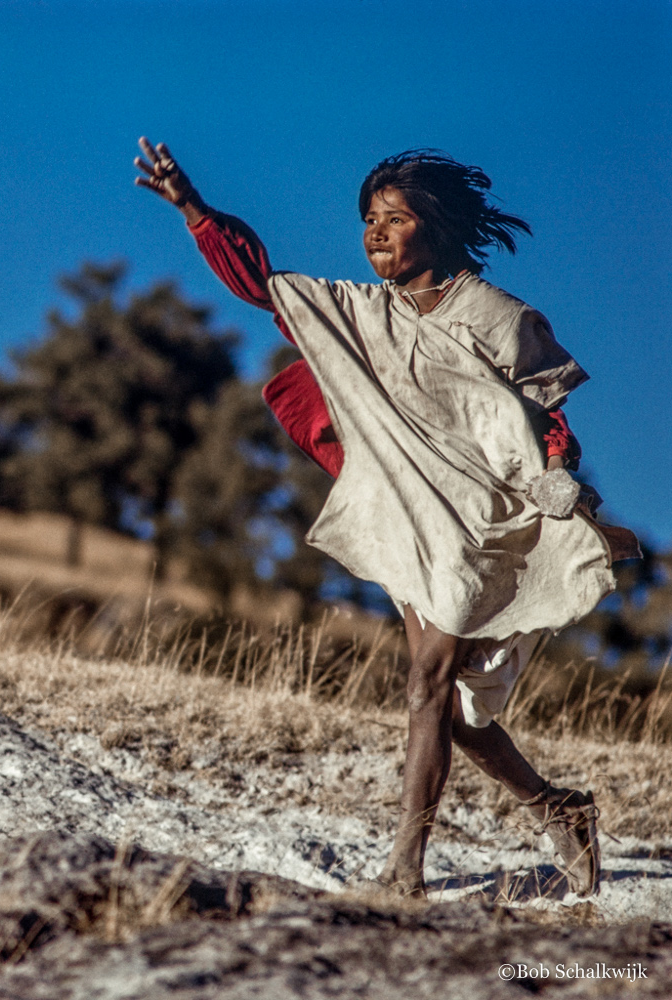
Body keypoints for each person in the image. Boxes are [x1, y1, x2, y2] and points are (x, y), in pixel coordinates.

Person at [134, 140, 637, 897]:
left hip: (488, 524)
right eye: (369, 217)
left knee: (429, 684)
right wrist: (195, 210)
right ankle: (559, 808)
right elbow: (267, 288)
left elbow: (547, 415)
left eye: (394, 218)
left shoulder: (499, 316)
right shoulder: (363, 316)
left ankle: (404, 870)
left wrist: (559, 474)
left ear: (432, 226)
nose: (375, 231)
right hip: (415, 525)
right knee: (456, 712)